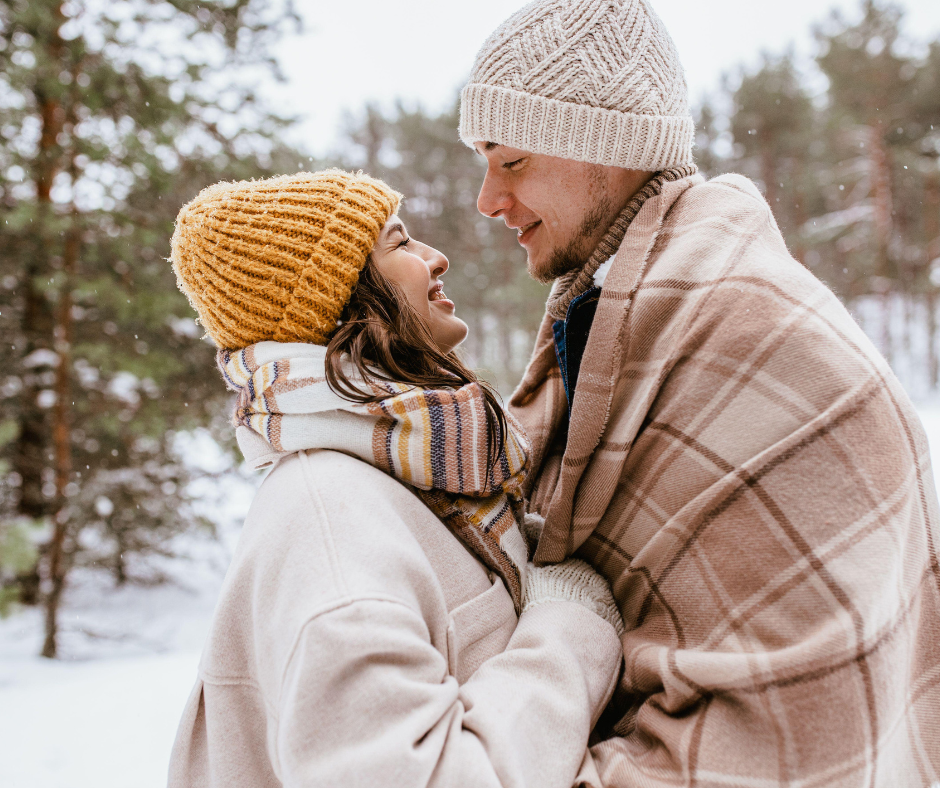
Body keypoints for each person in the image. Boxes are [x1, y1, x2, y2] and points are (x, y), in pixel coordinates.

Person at [459, 0, 940, 786]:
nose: (487, 200)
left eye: (510, 162)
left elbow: (802, 716)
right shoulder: (610, 320)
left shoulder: (759, 341)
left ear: (603, 153)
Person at [166, 169, 626, 788]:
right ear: (338, 298)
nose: (435, 258)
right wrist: (569, 632)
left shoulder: (422, 475)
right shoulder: (331, 525)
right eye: (401, 244)